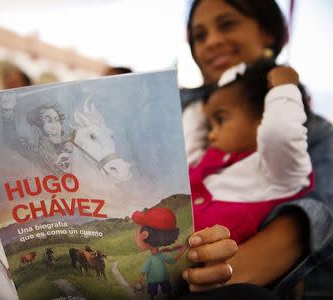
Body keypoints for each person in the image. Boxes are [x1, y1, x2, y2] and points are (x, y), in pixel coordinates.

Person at [180, 0, 333, 296]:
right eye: (199, 36)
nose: (211, 41)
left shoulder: (313, 135)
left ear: (268, 32)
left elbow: (316, 217)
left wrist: (282, 85)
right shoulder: (185, 106)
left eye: (227, 24)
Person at [186, 59, 312, 245]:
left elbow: (279, 132)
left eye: (220, 120)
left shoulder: (280, 169)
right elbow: (188, 147)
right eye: (209, 125)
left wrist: (284, 87)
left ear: (264, 116)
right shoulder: (213, 156)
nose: (210, 135)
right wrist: (199, 108)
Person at [132, 207, 186, 300]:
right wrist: (183, 249)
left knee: (156, 293)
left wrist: (139, 282)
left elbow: (143, 272)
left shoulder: (151, 259)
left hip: (154, 281)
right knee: (165, 292)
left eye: (138, 230)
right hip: (163, 279)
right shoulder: (162, 255)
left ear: (144, 235)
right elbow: (173, 260)